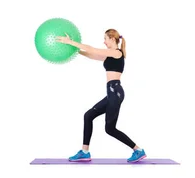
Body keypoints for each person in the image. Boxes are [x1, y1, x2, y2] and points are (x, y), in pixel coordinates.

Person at [56, 29, 146, 163]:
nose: (104, 42)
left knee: (110, 129)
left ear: (112, 39)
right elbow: (91, 54)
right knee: (88, 116)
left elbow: (92, 49)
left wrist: (71, 42)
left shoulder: (116, 53)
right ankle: (85, 152)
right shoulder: (109, 55)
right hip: (111, 93)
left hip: (115, 92)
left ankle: (138, 150)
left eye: (105, 39)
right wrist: (74, 50)